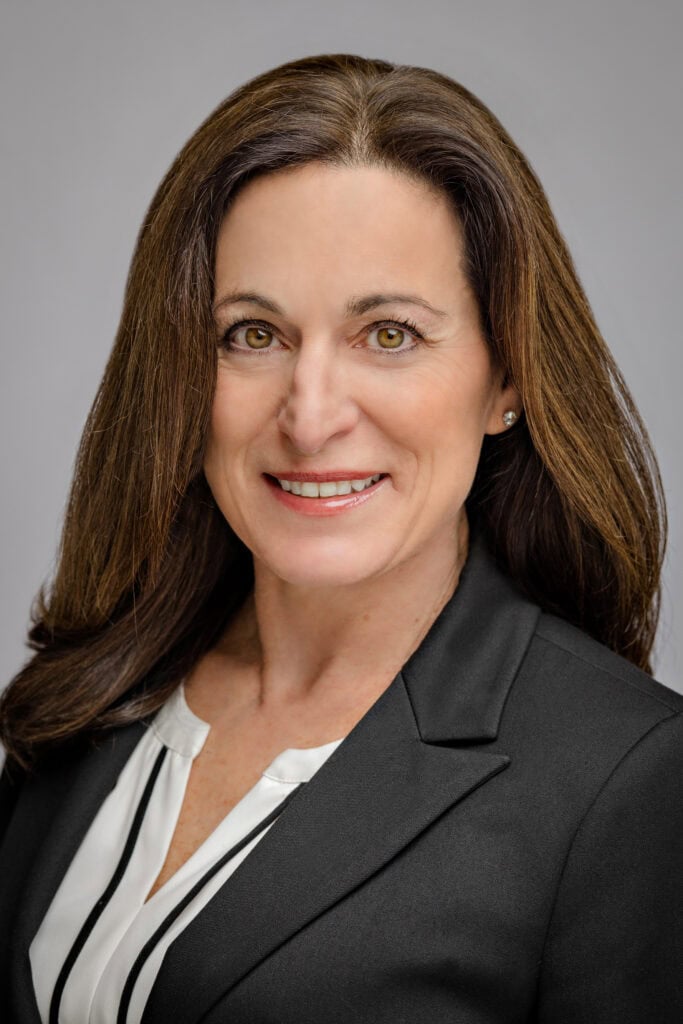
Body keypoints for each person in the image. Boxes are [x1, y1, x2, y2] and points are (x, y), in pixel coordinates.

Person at [0, 52, 680, 1024]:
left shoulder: (627, 778)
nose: (309, 415)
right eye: (252, 335)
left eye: (389, 334)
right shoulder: (96, 691)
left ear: (507, 379)